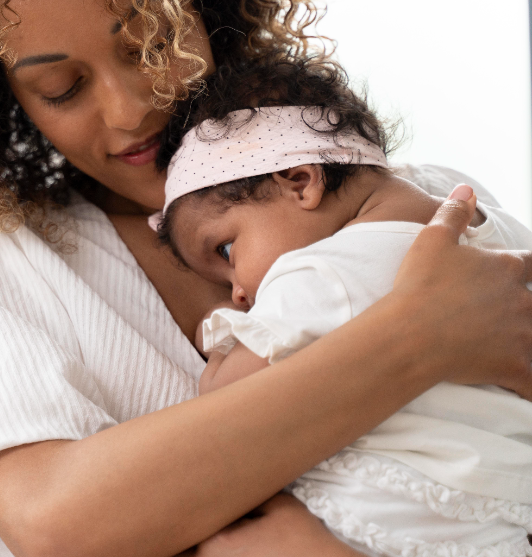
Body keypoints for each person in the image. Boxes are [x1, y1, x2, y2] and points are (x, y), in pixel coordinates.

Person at [0, 0, 532, 555]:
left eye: (150, 41)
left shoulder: (413, 202)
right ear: (3, 101)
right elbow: (54, 523)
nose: (126, 110)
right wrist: (415, 337)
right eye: (62, 89)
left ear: (204, 3)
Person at [152, 58, 532, 557]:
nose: (238, 293)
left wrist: (219, 358)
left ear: (301, 182)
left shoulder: (319, 275)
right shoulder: (496, 230)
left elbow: (225, 407)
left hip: (398, 517)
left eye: (225, 252)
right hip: (502, 515)